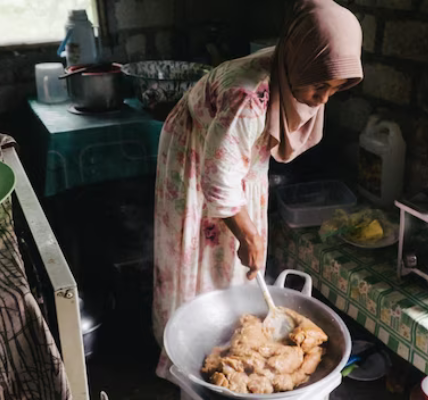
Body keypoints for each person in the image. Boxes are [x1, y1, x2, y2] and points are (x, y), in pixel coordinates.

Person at [152, 0, 364, 379]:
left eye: (335, 89)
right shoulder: (249, 98)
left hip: (235, 153)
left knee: (236, 251)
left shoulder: (295, 68)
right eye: (319, 86)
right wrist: (247, 233)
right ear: (298, 63)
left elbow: (234, 169)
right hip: (196, 152)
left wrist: (247, 233)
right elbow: (218, 181)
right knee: (200, 246)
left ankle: (235, 321)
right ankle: (183, 356)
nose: (323, 99)